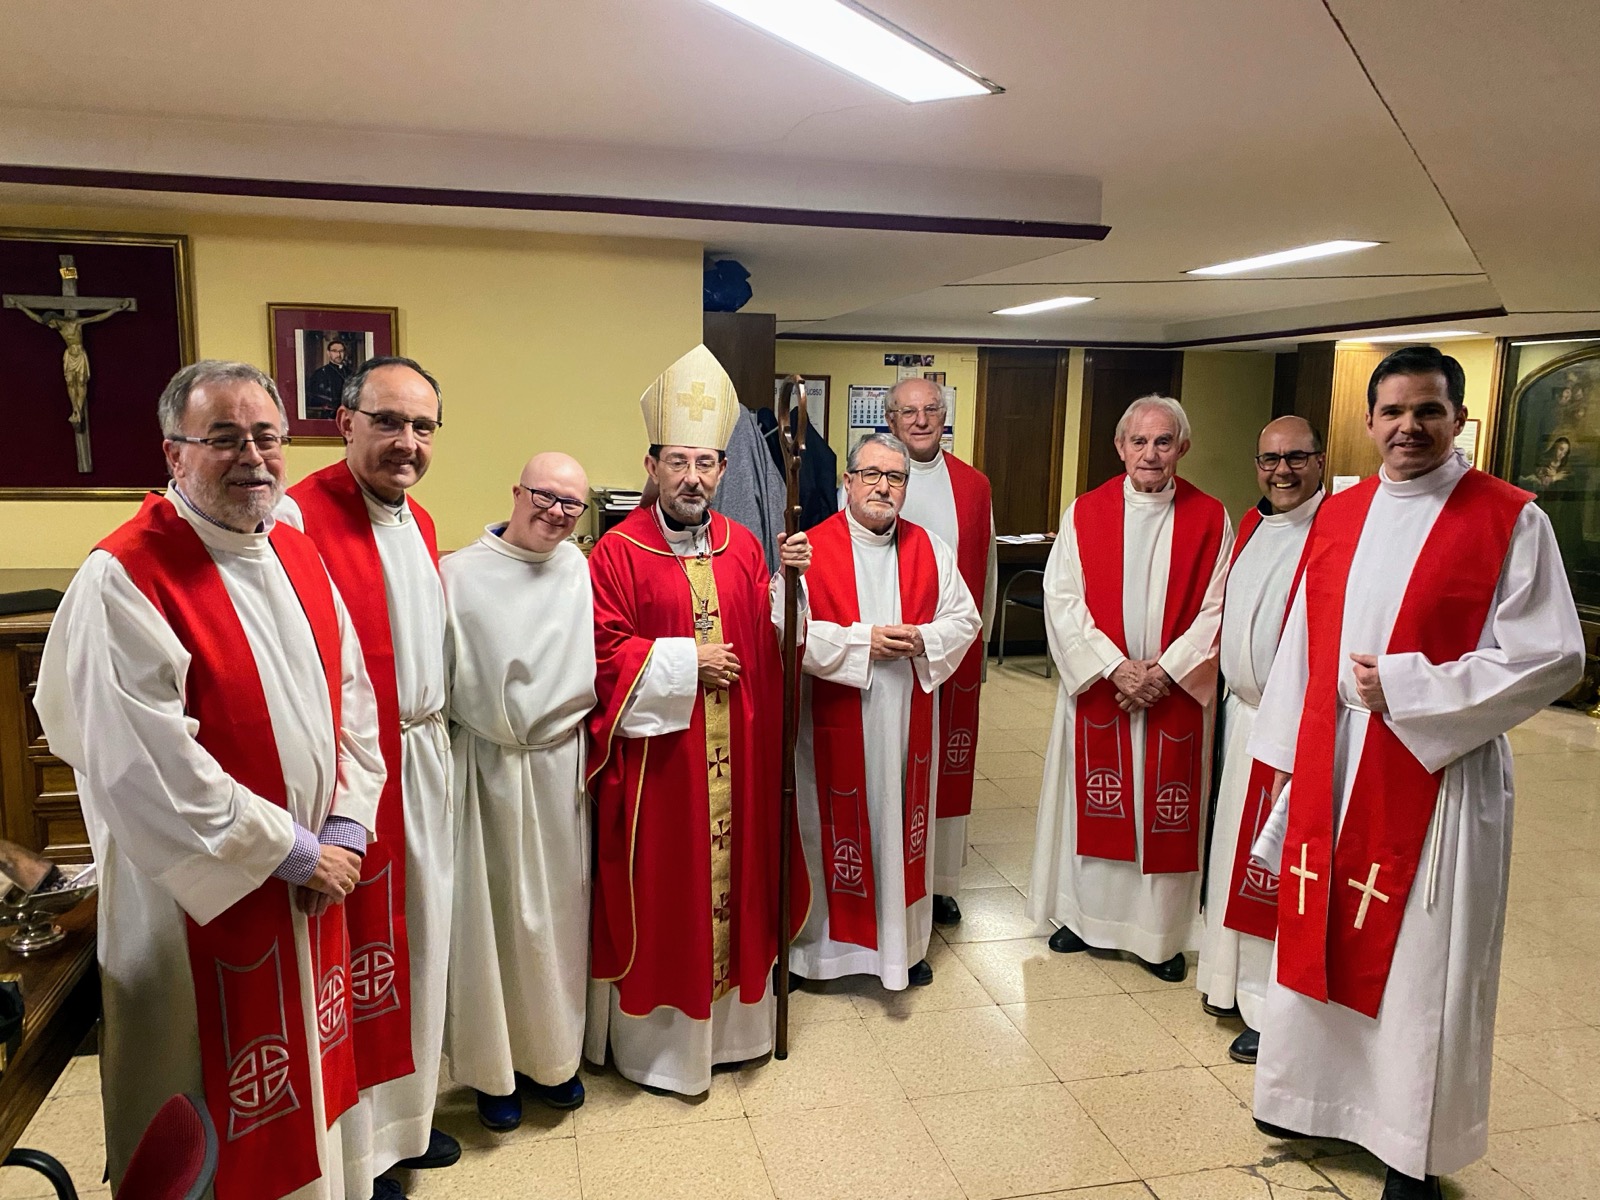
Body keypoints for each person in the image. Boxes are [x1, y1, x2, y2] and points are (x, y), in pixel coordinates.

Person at [33, 360, 387, 1198]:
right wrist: (291, 851)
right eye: (223, 438)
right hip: (195, 892)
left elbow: (352, 695)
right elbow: (145, 763)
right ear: (174, 452)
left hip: (309, 881)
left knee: (308, 1087)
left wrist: (343, 823)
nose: (253, 457)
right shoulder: (125, 576)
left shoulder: (294, 551)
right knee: (207, 1112)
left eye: (267, 436)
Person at [1247, 346, 1584, 1200]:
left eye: (1429, 410)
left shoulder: (1508, 518)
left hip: (1438, 770)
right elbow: (1303, 643)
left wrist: (1406, 687)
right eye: (1393, 411)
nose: (1409, 427)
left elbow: (1552, 656)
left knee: (1422, 965)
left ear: (1458, 418)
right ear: (1368, 422)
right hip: (1334, 761)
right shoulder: (1342, 513)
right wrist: (1282, 763)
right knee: (1320, 928)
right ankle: (1312, 1099)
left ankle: (1409, 1144)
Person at [584, 344, 810, 1096]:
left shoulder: (745, 548)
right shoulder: (616, 553)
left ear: (723, 470)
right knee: (666, 898)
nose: (692, 478)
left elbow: (775, 645)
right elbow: (603, 654)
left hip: (738, 761)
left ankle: (738, 1035)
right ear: (651, 466)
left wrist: (793, 590)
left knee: (743, 884)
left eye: (705, 463)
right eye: (677, 462)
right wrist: (688, 663)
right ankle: (661, 1053)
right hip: (664, 770)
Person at [281, 357, 455, 1198]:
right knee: (358, 961)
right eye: (388, 421)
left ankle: (408, 1124)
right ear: (344, 422)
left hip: (424, 758)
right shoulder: (296, 517)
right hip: (352, 777)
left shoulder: (419, 520)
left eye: (422, 427)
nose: (406, 442)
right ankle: (360, 1152)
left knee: (422, 942)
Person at [1026, 395, 1232, 982]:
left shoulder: (1210, 517)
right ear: (1120, 447)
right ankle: (1084, 919)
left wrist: (1165, 673)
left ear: (1182, 448)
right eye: (1139, 441)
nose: (1150, 454)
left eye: (1163, 442)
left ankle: (1160, 935)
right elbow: (1062, 599)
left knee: (1164, 811)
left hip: (1173, 695)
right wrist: (1115, 668)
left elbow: (1220, 609)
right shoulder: (1085, 512)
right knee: (1093, 801)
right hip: (1103, 690)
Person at [783, 432, 981, 989]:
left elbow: (964, 619)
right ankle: (818, 953)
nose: (882, 487)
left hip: (906, 719)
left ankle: (902, 948)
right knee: (828, 829)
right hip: (831, 720)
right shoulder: (809, 549)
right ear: (848, 482)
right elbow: (784, 628)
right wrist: (860, 643)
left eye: (895, 477)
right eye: (871, 474)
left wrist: (924, 640)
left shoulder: (931, 549)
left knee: (899, 828)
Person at [442, 452, 596, 1131]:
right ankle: (493, 1073)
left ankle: (554, 1059)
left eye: (572, 504)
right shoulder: (458, 574)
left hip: (559, 765)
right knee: (491, 922)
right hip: (488, 767)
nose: (557, 513)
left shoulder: (576, 569)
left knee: (558, 922)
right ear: (516, 491)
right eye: (545, 495)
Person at [1194, 416, 1325, 1064]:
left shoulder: (1334, 532)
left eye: (1296, 457)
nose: (1282, 471)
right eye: (1270, 459)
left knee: (1274, 869)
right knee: (1233, 856)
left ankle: (1272, 1008)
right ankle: (1227, 981)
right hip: (1242, 717)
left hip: (1294, 725)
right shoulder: (1251, 525)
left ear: (1320, 460)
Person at [884, 377, 997, 928]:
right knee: (897, 763)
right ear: (890, 418)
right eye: (909, 412)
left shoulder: (974, 486)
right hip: (891, 648)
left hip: (954, 648)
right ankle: (895, 874)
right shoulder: (872, 475)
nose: (922, 420)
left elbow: (987, 566)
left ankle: (942, 881)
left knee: (948, 768)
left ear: (944, 415)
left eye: (931, 409)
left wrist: (981, 642)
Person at [306, 337, 352, 420]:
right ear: (328, 353)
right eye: (334, 351)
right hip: (329, 415)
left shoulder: (350, 373)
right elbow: (314, 396)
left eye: (341, 351)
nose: (338, 354)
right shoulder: (320, 373)